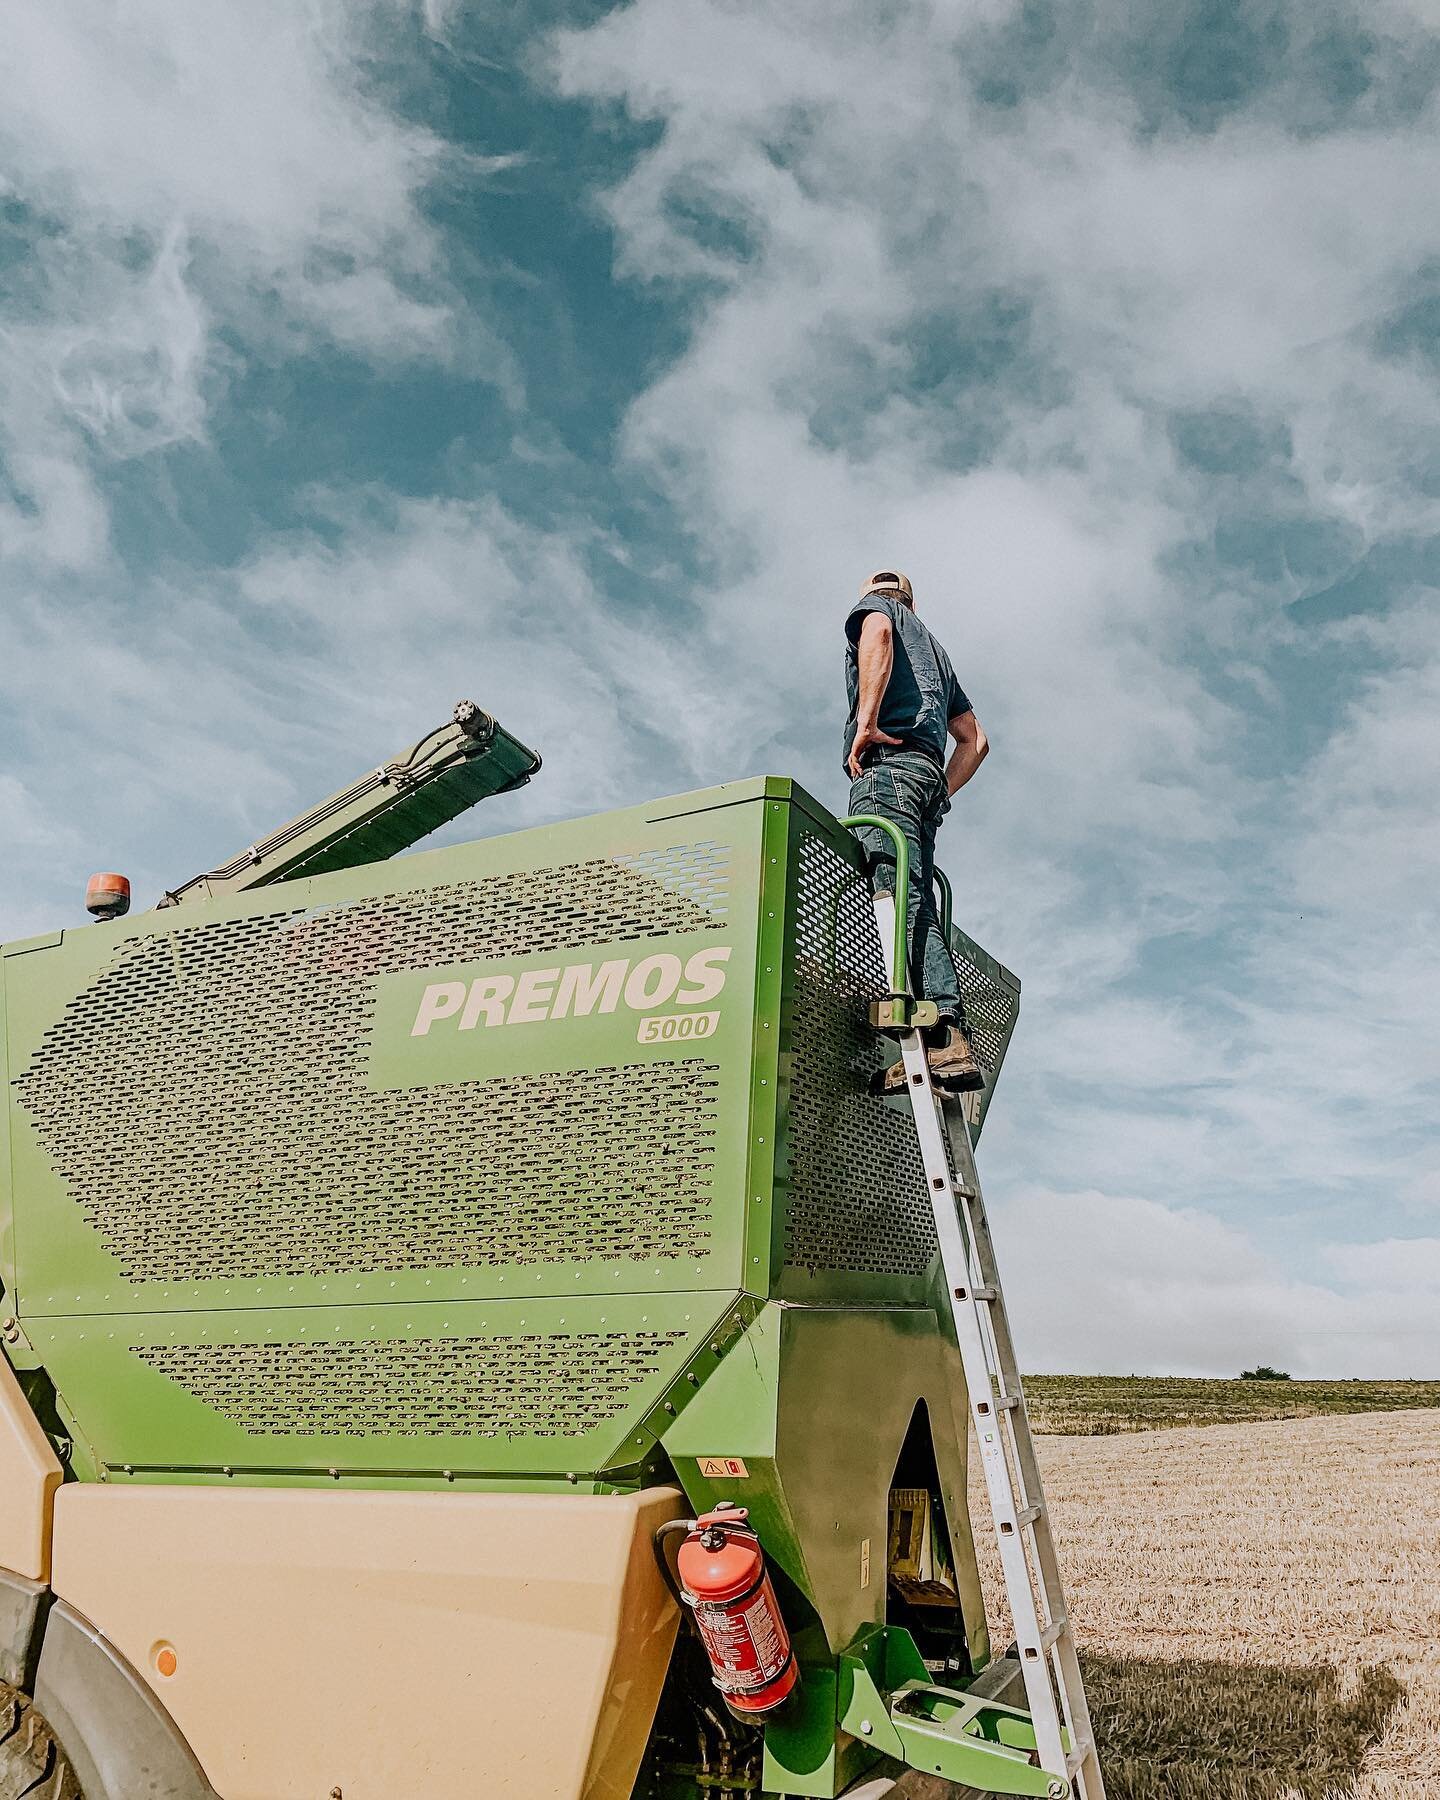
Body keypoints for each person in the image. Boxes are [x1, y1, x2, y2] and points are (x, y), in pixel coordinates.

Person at [843, 569, 989, 1092]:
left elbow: (879, 634)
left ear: (871, 597)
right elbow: (975, 741)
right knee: (918, 896)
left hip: (887, 768)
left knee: (895, 893)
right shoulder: (939, 656)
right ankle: (945, 1037)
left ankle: (924, 1028)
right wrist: (942, 790)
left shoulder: (877, 616)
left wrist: (866, 722)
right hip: (926, 774)